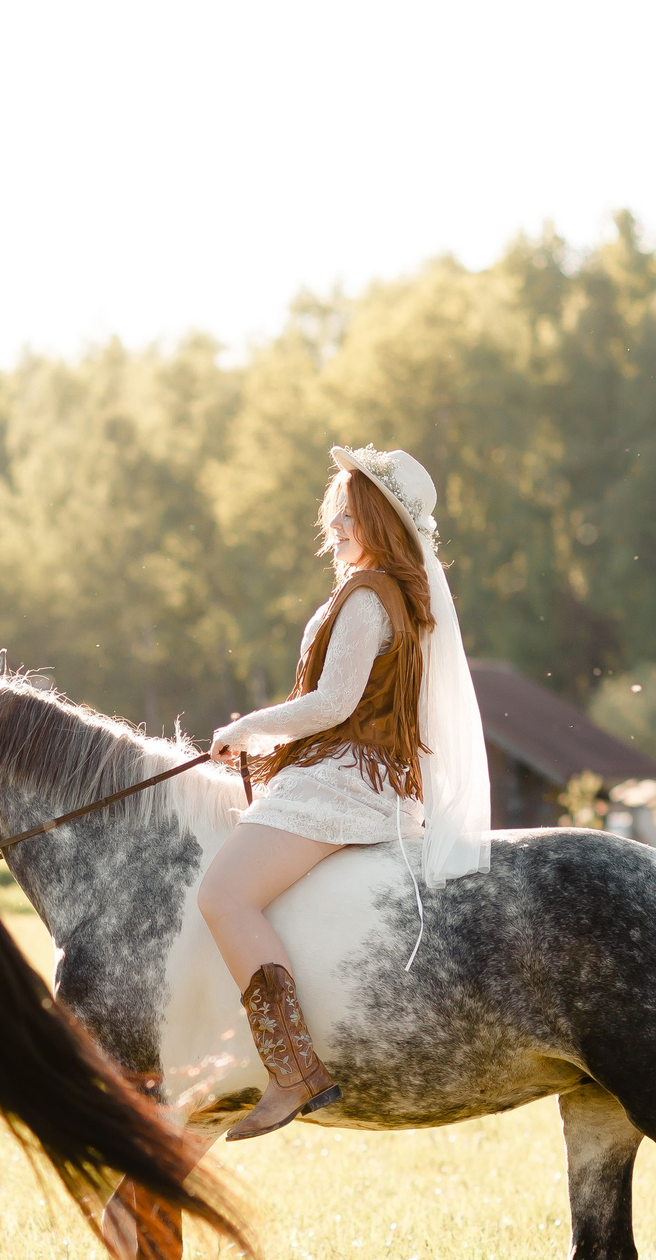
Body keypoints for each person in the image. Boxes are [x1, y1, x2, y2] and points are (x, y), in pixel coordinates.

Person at [199, 445, 491, 1139]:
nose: (333, 528)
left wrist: (249, 727)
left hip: (347, 780)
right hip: (360, 775)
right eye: (332, 516)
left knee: (223, 894)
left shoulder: (368, 598)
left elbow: (334, 703)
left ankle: (292, 1067)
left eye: (347, 517)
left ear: (379, 522)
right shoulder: (389, 592)